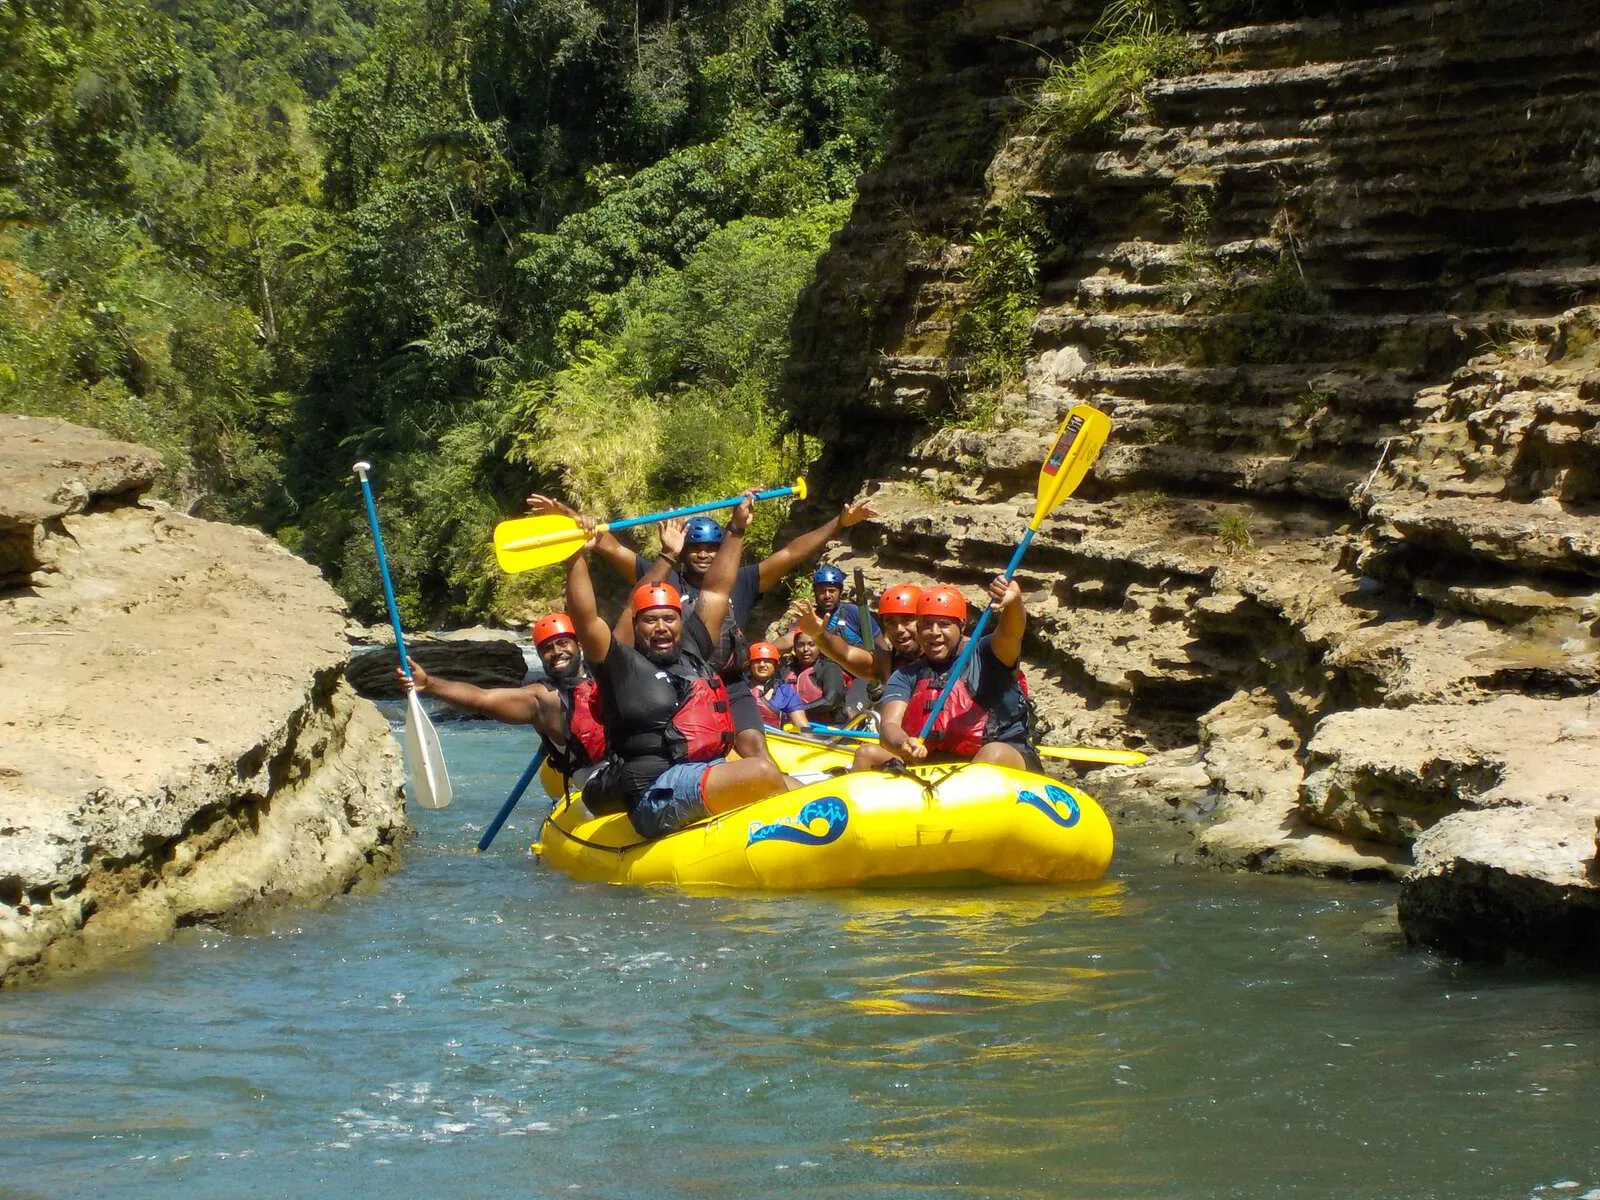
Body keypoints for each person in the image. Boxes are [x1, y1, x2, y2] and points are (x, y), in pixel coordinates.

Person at [526, 491, 876, 763]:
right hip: (675, 686)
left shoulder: (742, 579)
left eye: (712, 548)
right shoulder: (661, 577)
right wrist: (570, 519)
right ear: (683, 551)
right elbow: (609, 545)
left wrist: (839, 523)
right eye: (696, 549)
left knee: (755, 745)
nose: (705, 555)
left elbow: (791, 554)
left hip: (729, 682)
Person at [563, 493, 795, 839]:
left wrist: (737, 529)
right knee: (761, 772)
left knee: (794, 782)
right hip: (653, 792)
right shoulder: (621, 664)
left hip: (702, 771)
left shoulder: (691, 652)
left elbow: (716, 591)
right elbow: (585, 619)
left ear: (680, 622)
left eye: (669, 619)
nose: (661, 628)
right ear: (636, 627)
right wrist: (574, 557)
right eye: (650, 621)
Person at [398, 613, 610, 795]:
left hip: (626, 762)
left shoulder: (605, 674)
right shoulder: (540, 698)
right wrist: (429, 684)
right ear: (539, 656)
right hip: (594, 776)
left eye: (563, 643)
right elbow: (482, 699)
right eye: (547, 648)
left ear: (579, 644)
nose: (556, 652)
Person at [861, 579, 1041, 773]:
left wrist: (1014, 603)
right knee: (867, 753)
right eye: (927, 625)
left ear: (962, 627)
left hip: (1004, 756)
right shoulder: (906, 674)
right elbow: (889, 726)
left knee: (992, 753)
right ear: (919, 628)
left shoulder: (987, 654)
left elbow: (1011, 634)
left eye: (944, 624)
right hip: (936, 764)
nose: (934, 633)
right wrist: (904, 743)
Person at [794, 582, 923, 687]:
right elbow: (846, 654)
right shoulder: (886, 663)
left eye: (907, 620)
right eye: (891, 622)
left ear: (924, 622)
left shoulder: (941, 658)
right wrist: (819, 635)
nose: (899, 629)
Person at [790, 626, 853, 727]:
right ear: (794, 648)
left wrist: (798, 710)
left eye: (811, 644)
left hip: (829, 729)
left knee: (806, 733)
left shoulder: (830, 668)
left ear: (820, 647)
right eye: (801, 645)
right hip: (797, 727)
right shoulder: (788, 670)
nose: (806, 649)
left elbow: (830, 700)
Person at [746, 641, 809, 730]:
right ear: (750, 665)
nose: (762, 665)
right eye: (757, 661)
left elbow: (802, 724)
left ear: (775, 665)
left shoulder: (786, 692)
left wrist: (808, 735)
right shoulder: (739, 688)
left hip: (773, 738)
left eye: (767, 661)